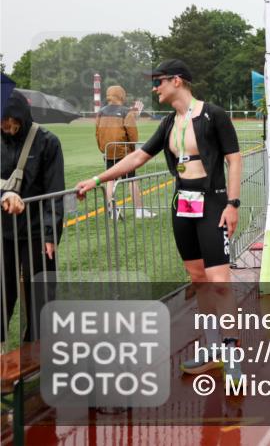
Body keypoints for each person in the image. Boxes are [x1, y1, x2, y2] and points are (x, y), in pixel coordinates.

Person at [74, 59, 243, 381]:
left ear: (177, 81)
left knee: (219, 282)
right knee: (198, 280)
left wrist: (232, 204)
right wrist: (97, 179)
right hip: (182, 205)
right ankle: (211, 347)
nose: (155, 88)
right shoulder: (169, 123)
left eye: (159, 81)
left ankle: (233, 353)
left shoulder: (213, 115)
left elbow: (234, 160)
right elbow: (138, 156)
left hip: (213, 203)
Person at [2, 90, 65, 343]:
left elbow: (55, 191)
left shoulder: (48, 141)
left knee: (39, 289)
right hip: (4, 231)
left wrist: (50, 234)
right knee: (2, 291)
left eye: (6, 118)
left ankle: (39, 348)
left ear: (17, 113)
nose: (3, 125)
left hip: (37, 230)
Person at [95, 84, 153, 219]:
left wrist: (103, 149)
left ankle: (112, 211)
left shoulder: (101, 112)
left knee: (110, 180)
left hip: (108, 151)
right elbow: (133, 135)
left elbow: (97, 134)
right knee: (132, 180)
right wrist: (132, 150)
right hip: (124, 152)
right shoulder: (126, 112)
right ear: (121, 95)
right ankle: (139, 210)